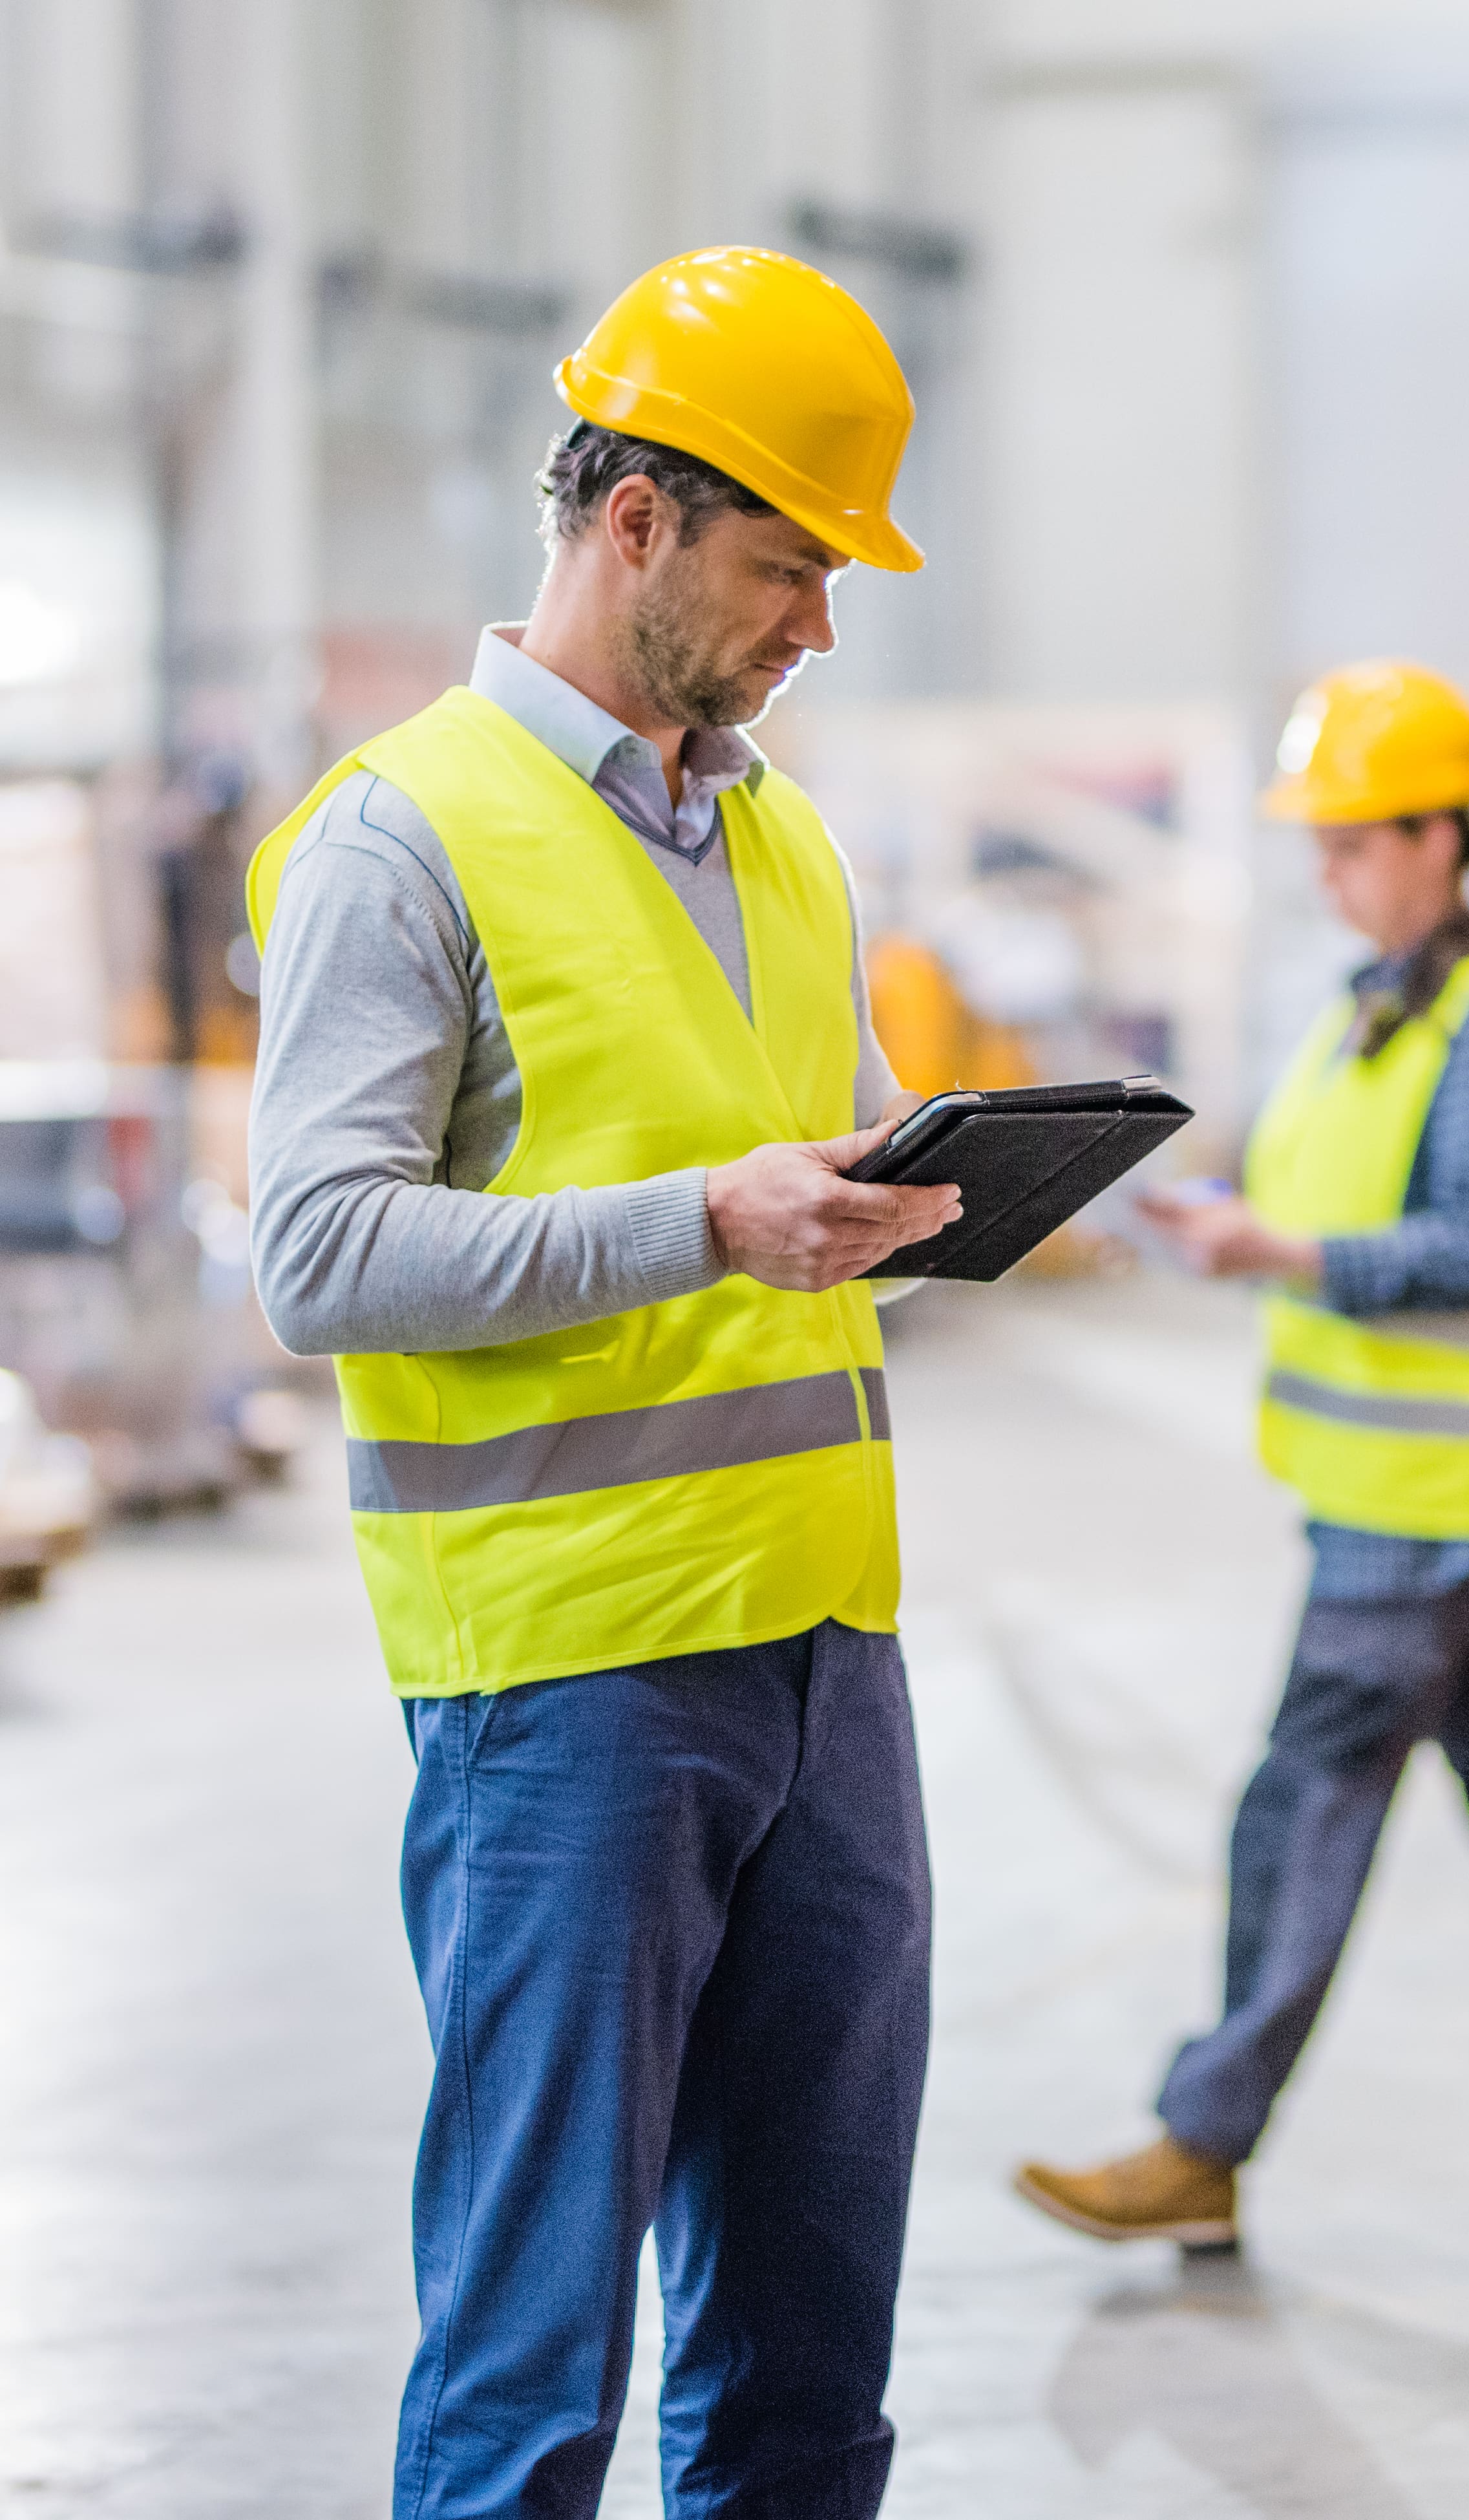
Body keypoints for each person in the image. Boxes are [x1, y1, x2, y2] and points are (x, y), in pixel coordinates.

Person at [241, 248, 953, 2513]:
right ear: (632, 518)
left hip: (831, 1661)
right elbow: (320, 1252)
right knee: (531, 2370)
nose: (815, 625)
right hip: (569, 1691)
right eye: (786, 565)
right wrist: (705, 1219)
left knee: (807, 2377)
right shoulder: (401, 832)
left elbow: (805, 1182)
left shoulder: (788, 836)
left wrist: (915, 1206)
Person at [1015, 660, 1469, 2250]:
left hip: (1434, 1507)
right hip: (1408, 1498)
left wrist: (1278, 1252)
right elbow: (1350, 1195)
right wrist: (1236, 1224)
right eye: (1324, 841)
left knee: (1301, 1806)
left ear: (1441, 836)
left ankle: (1200, 2135)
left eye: (1354, 840)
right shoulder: (1384, 1006)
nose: (1330, 869)